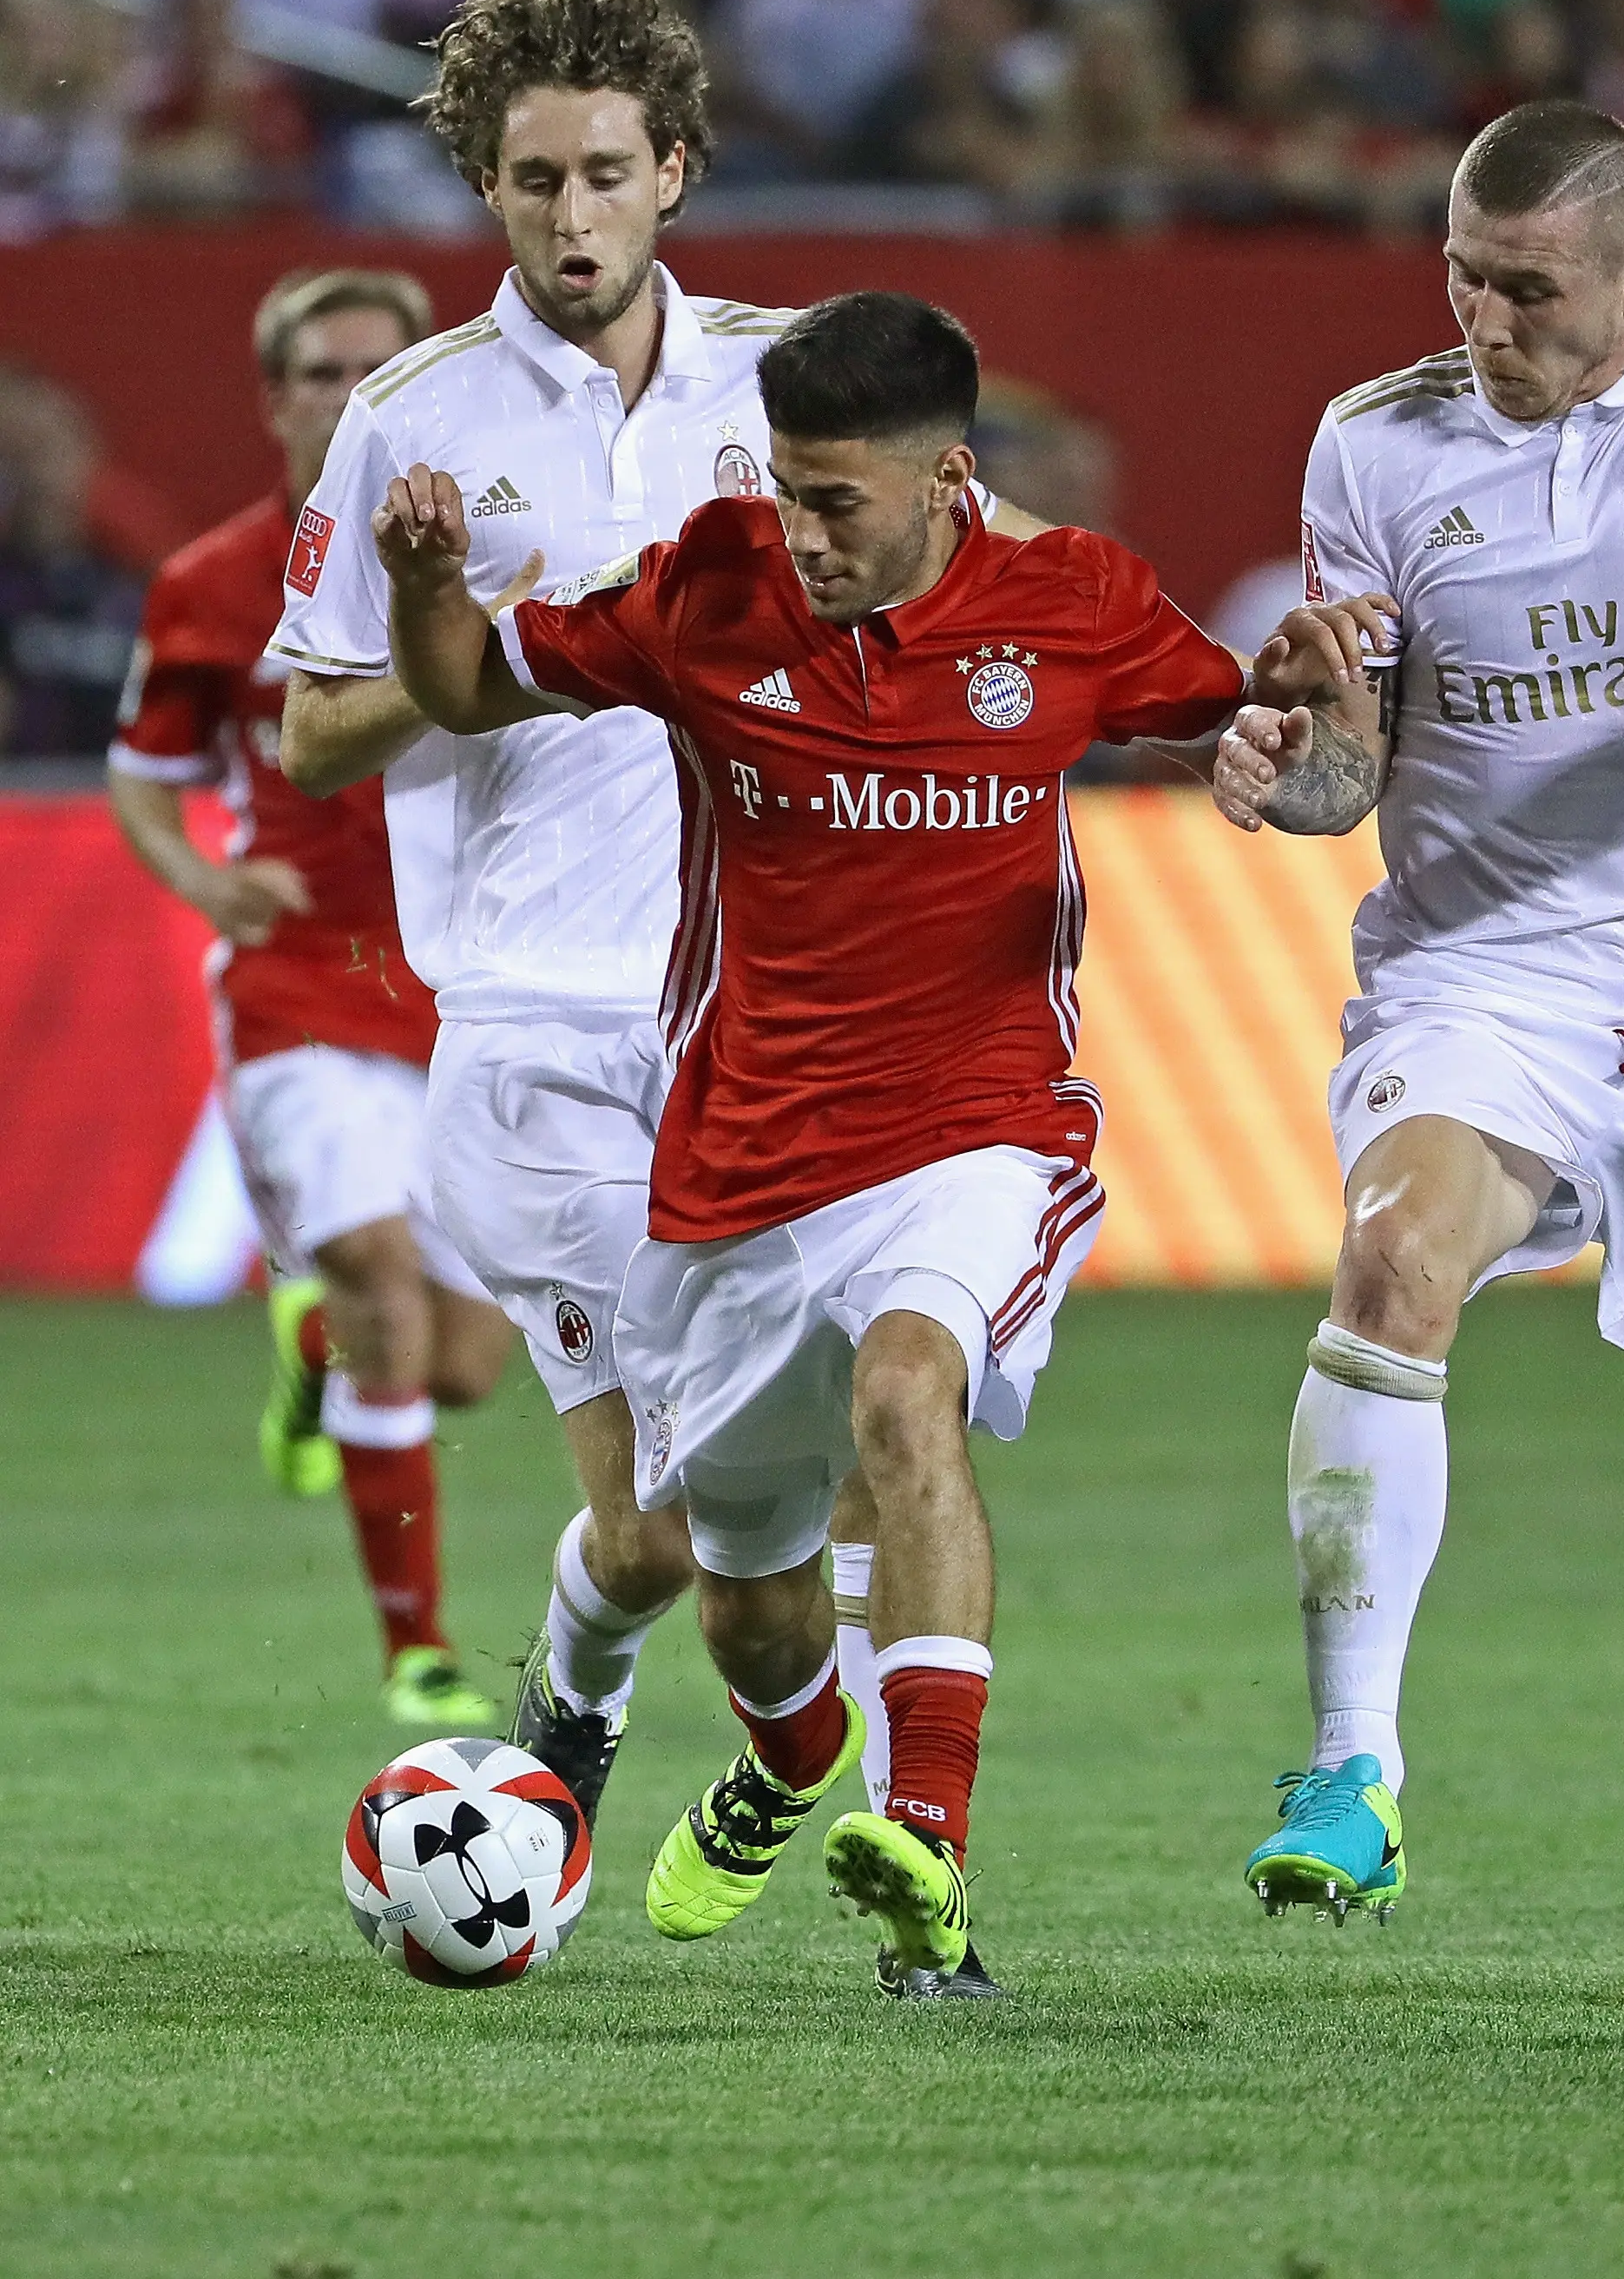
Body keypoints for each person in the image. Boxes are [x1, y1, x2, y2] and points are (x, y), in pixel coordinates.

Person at [371, 288, 1362, 1986]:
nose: (803, 531)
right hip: (743, 1166)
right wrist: (417, 584)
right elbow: (463, 689)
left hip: (976, 1126)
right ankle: (794, 1761)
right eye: (785, 484)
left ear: (947, 480)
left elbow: (1311, 783)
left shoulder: (1075, 606)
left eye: (837, 500)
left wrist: (1327, 724)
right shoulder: (709, 586)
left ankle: (933, 1874)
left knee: (912, 1393)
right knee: (741, 1598)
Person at [267, 0, 1043, 1995]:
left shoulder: (794, 381)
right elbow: (310, 733)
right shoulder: (409, 425)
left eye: (607, 171)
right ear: (487, 189)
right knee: (698, 1544)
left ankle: (890, 1870)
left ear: (674, 170)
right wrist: (468, 628)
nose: (572, 216)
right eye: (532, 180)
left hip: (795, 1016)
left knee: (871, 1448)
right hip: (540, 1043)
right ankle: (751, 1737)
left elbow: (1002, 582)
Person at [1214, 101, 1624, 2014]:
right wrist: (1287, 767)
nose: (1485, 319)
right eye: (1461, 277)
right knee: (1392, 1264)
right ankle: (1354, 1768)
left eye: (1528, 288)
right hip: (1478, 978)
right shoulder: (1376, 438)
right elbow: (1354, 757)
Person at [108, 267, 516, 1729]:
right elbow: (143, 774)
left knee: (465, 1365)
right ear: (275, 400)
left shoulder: (486, 552)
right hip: (298, 984)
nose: (352, 397)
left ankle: (315, 1351)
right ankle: (417, 1649)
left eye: (379, 372)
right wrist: (203, 882)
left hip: (459, 984)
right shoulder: (213, 583)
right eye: (323, 372)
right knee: (393, 1305)